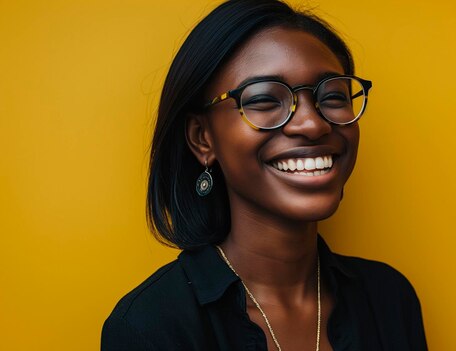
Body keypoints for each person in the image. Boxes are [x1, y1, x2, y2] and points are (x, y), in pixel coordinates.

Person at [101, 0, 428, 350]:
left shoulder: (389, 300)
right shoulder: (150, 327)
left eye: (332, 95)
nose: (313, 123)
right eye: (264, 100)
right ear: (202, 138)